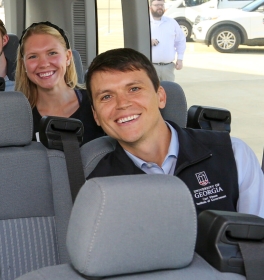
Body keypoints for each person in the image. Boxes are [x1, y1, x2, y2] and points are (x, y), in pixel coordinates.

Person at [85, 48, 263, 218]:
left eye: (134, 89)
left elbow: (256, 242)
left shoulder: (234, 154)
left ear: (161, 97)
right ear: (96, 116)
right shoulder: (99, 188)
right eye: (106, 97)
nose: (122, 103)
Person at [15, 21, 105, 144]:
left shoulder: (97, 103)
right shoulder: (18, 117)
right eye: (33, 56)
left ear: (68, 57)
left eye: (52, 53)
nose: (44, 64)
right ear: (24, 64)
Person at [150, 0, 186, 82]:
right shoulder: (145, 23)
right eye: (157, 5)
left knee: (168, 92)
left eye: (162, 5)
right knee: (153, 93)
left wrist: (180, 59)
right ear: (150, 7)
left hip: (168, 67)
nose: (160, 7)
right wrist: (147, 41)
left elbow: (180, 40)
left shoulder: (171, 22)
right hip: (150, 67)